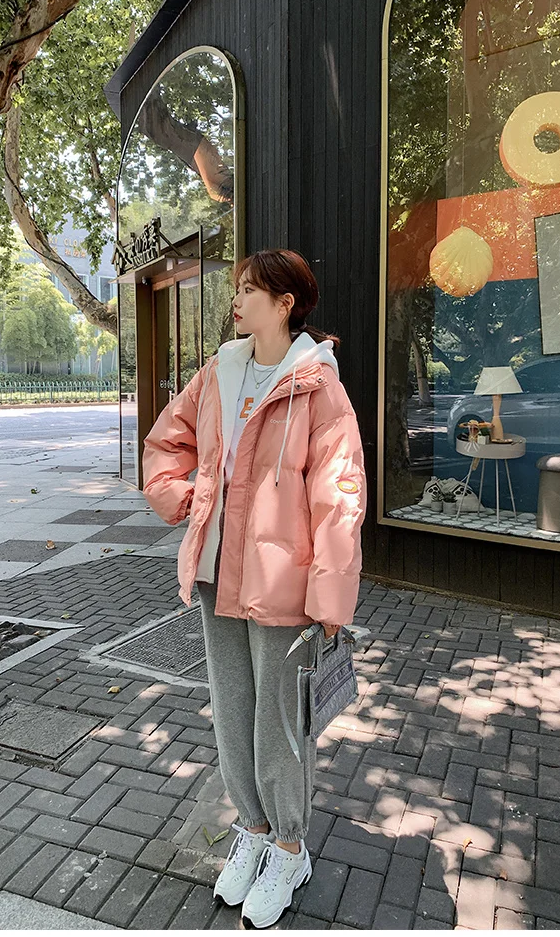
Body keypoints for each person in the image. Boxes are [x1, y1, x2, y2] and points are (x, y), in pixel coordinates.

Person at [141, 248, 367, 928]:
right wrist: (183, 499)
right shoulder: (219, 372)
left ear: (285, 303)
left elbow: (340, 493)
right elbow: (166, 442)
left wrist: (330, 594)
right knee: (233, 710)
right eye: (237, 288)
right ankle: (254, 829)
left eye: (249, 290)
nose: (236, 300)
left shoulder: (317, 386)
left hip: (282, 583)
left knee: (281, 724)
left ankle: (290, 848)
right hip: (217, 572)